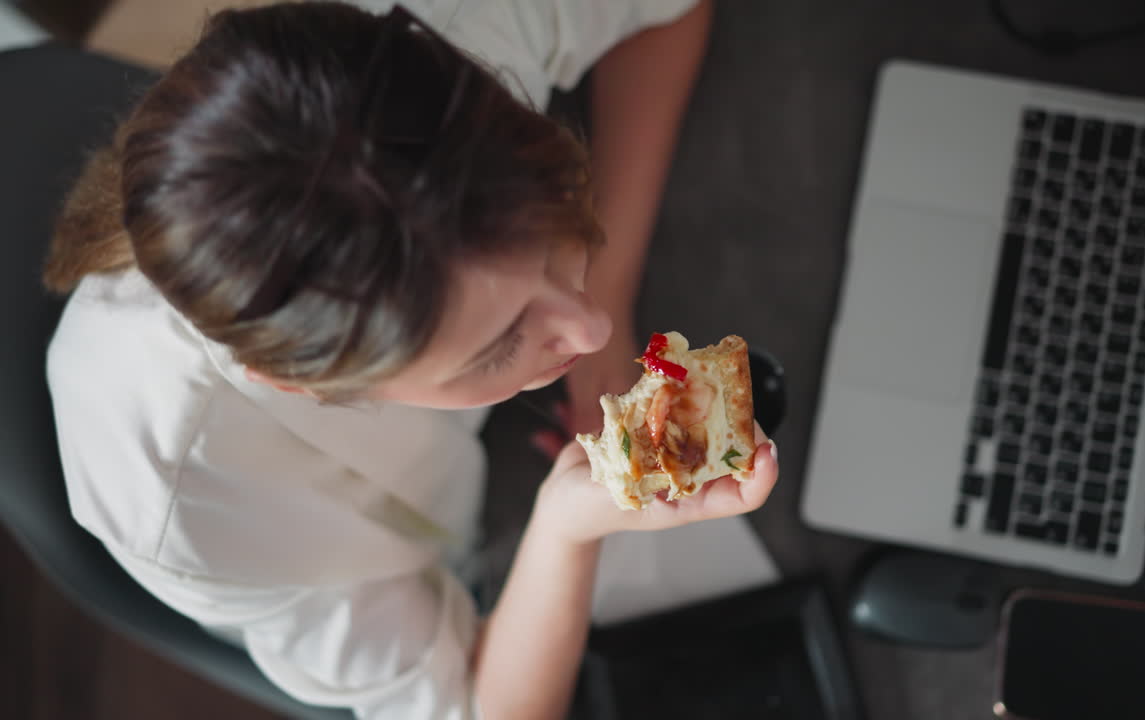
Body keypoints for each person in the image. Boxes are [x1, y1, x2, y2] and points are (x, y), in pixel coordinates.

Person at [42, 1, 778, 718]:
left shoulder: (444, 50)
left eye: (554, 223)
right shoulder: (187, 500)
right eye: (498, 343)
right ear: (311, 384)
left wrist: (611, 275)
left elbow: (667, 11)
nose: (590, 328)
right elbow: (473, 706)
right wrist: (565, 525)